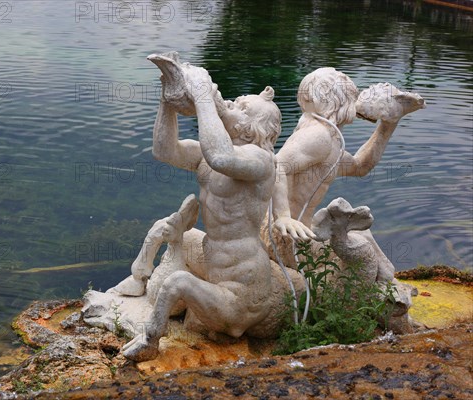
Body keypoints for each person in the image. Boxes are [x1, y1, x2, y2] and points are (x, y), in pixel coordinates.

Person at [122, 67, 308, 362]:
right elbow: (164, 150)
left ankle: (150, 340)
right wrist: (167, 100)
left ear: (253, 128)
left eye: (241, 106)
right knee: (171, 228)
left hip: (241, 292)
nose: (231, 103)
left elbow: (221, 157)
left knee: (176, 282)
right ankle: (138, 277)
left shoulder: (260, 161)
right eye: (233, 100)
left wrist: (202, 95)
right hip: (215, 261)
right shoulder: (210, 155)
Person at [269, 67, 425, 267]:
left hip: (299, 229)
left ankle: (387, 284)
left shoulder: (330, 140)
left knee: (361, 235)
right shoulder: (319, 136)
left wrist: (389, 123)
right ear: (335, 98)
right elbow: (276, 165)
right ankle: (386, 286)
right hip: (288, 234)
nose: (356, 100)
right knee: (361, 245)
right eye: (351, 95)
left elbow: (360, 167)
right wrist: (282, 217)